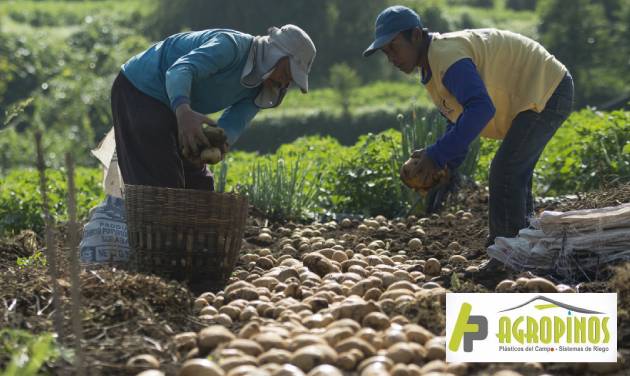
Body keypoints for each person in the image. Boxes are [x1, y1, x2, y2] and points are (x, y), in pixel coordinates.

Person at [364, 6, 574, 272]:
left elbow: (481, 109)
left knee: (506, 171)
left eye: (394, 47)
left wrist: (437, 155)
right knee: (514, 172)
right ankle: (521, 250)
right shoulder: (433, 65)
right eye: (385, 52)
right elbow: (460, 120)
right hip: (535, 93)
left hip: (548, 88)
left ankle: (508, 257)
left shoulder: (445, 57)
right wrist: (446, 165)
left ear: (416, 35)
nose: (391, 57)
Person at [111, 25, 316, 190]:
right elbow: (179, 71)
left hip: (179, 105)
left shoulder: (262, 87)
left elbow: (234, 123)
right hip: (141, 89)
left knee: (200, 186)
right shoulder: (231, 46)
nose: (286, 83)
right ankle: (155, 240)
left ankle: (191, 240)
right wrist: (183, 112)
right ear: (275, 55)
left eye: (291, 80)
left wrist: (218, 144)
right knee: (161, 185)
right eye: (288, 73)